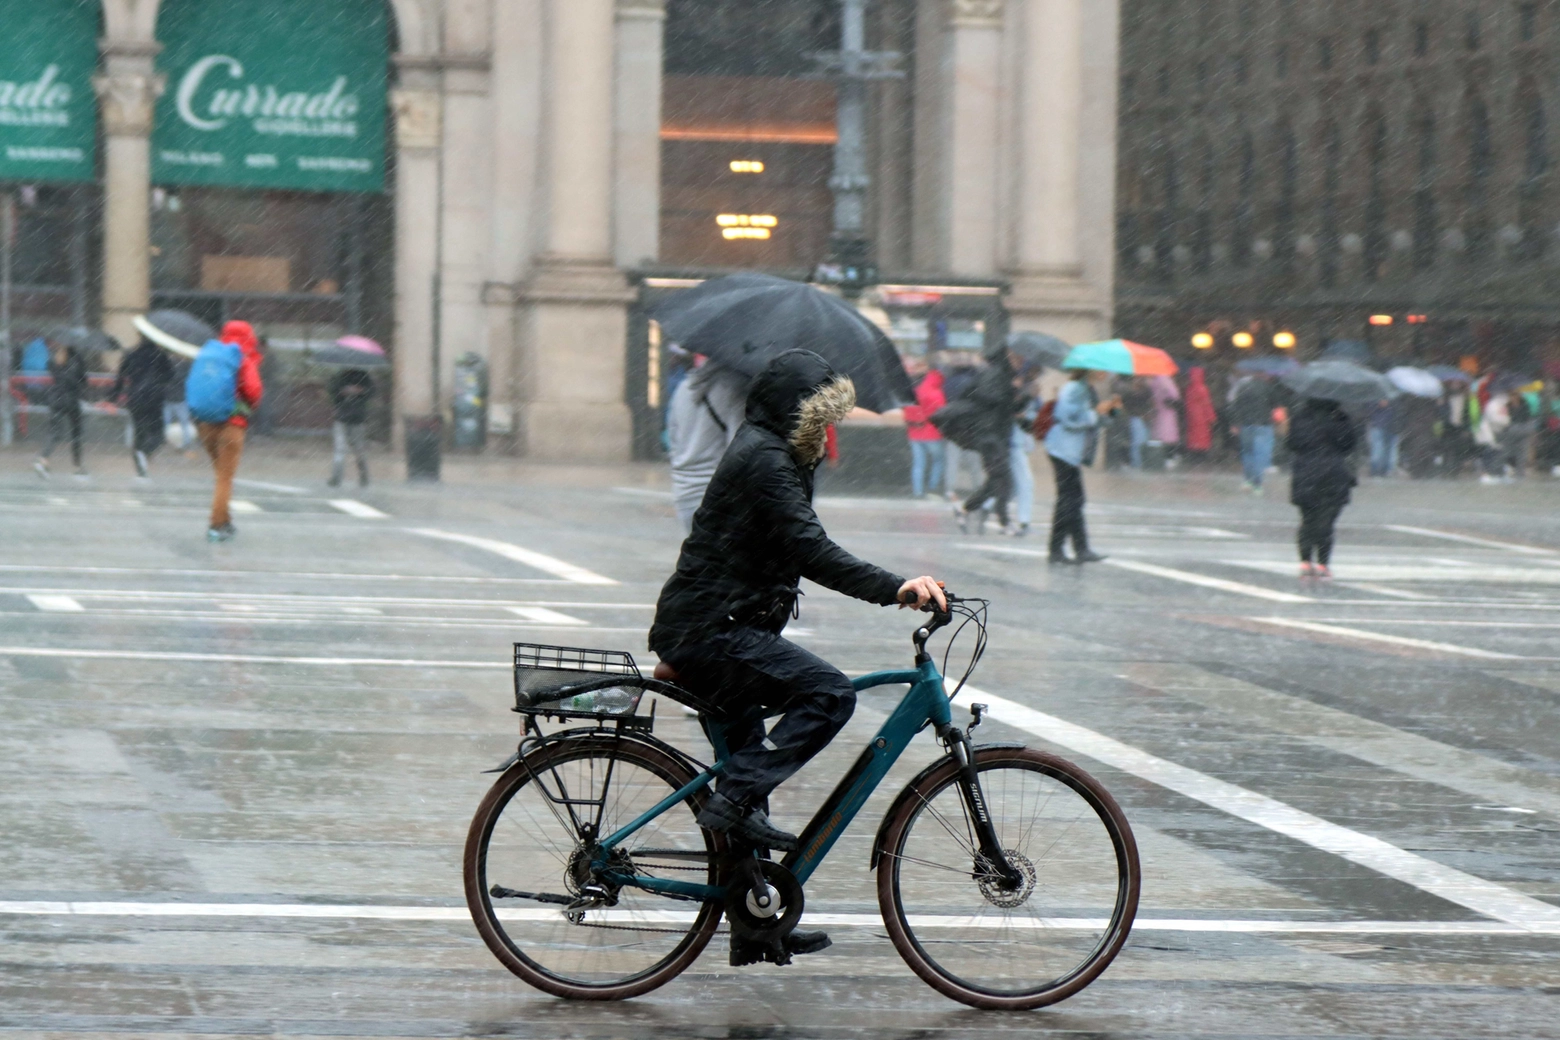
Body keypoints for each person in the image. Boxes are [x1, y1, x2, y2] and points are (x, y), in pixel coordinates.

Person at [648, 349, 945, 967]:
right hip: (714, 631)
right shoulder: (766, 460)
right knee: (828, 695)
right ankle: (728, 798)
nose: (830, 432)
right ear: (799, 415)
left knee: (753, 773)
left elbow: (792, 543)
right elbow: (810, 549)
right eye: (824, 419)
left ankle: (756, 923)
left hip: (718, 624)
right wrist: (896, 587)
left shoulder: (771, 451)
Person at [189, 320, 263, 542]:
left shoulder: (213, 354)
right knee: (225, 478)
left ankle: (225, 519)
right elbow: (254, 390)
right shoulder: (241, 356)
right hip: (232, 425)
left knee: (220, 475)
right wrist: (248, 406)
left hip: (206, 424)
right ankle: (217, 525)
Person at [666, 360, 750, 533]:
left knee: (702, 557)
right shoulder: (734, 389)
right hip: (720, 499)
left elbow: (673, 441)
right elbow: (741, 451)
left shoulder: (683, 388)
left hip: (685, 495)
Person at [1044, 369, 1118, 564]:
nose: (1107, 374)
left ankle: (1079, 548)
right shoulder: (1075, 388)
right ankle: (1057, 550)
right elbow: (1066, 417)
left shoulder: (1086, 389)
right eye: (1103, 370)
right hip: (1063, 450)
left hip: (1071, 452)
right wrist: (1095, 413)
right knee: (1068, 501)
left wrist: (1111, 410)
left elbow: (1101, 421)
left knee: (1074, 501)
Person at [951, 347, 1020, 534]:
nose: (1018, 361)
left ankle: (965, 509)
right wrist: (1011, 389)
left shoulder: (1001, 376)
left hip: (997, 435)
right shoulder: (994, 375)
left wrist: (1025, 395)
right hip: (989, 435)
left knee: (995, 481)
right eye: (1014, 357)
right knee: (1004, 479)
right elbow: (987, 398)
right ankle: (1004, 521)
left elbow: (1008, 408)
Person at [1287, 397, 1357, 578]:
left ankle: (1305, 561)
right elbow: (1349, 445)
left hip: (1306, 473)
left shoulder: (1301, 418)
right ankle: (1323, 563)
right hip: (1333, 474)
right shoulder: (1341, 419)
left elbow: (1292, 444)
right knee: (1326, 521)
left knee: (1307, 520)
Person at [112, 336, 176, 477]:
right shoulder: (160, 355)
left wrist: (115, 395)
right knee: (157, 431)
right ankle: (147, 450)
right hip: (155, 398)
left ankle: (139, 456)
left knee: (139, 430)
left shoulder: (131, 354)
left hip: (135, 397)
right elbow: (170, 376)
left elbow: (121, 376)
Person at [33, 341, 89, 479]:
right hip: (71, 401)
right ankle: (77, 466)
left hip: (56, 399)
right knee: (76, 434)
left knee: (54, 432)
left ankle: (43, 459)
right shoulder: (77, 360)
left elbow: (54, 373)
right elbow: (82, 380)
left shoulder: (54, 360)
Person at [901, 358, 947, 499]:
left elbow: (906, 408)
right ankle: (933, 488)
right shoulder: (935, 391)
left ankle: (918, 491)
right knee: (939, 460)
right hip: (932, 433)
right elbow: (941, 412)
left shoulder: (910, 387)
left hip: (914, 432)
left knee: (919, 463)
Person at [1229, 373, 1277, 491]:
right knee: (1260, 455)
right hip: (1263, 425)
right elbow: (1275, 406)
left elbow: (1235, 405)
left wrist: (1235, 422)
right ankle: (1258, 484)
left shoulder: (1244, 388)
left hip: (1246, 425)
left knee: (1247, 454)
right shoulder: (1268, 388)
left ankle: (1247, 481)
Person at [328, 368, 374, 487]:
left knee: (359, 450)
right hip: (342, 419)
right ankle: (336, 477)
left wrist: (360, 391)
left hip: (357, 420)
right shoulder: (340, 377)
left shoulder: (364, 377)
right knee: (340, 449)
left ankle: (364, 475)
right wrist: (344, 392)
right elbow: (333, 392)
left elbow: (371, 393)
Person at [1182, 366, 1216, 464]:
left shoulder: (1189, 389)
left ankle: (1194, 455)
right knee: (1203, 437)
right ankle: (1201, 457)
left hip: (1191, 416)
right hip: (1201, 417)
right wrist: (1212, 417)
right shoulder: (1202, 388)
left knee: (1193, 436)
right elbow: (1207, 404)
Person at [1121, 377, 1154, 469]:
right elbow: (1126, 406)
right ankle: (1136, 463)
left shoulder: (1147, 391)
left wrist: (1147, 413)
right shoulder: (1129, 392)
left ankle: (1141, 462)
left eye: (1141, 379)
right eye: (1136, 379)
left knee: (1144, 441)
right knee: (1137, 442)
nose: (1139, 381)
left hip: (1145, 419)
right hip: (1136, 418)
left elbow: (1150, 403)